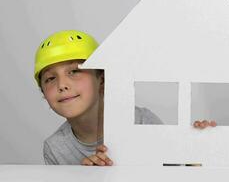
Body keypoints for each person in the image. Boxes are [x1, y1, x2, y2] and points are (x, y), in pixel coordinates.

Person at [34, 30, 217, 165]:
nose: (62, 85)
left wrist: (199, 151)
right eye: (50, 79)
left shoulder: (142, 120)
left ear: (102, 79)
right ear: (43, 93)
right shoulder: (55, 148)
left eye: (74, 71)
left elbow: (176, 170)